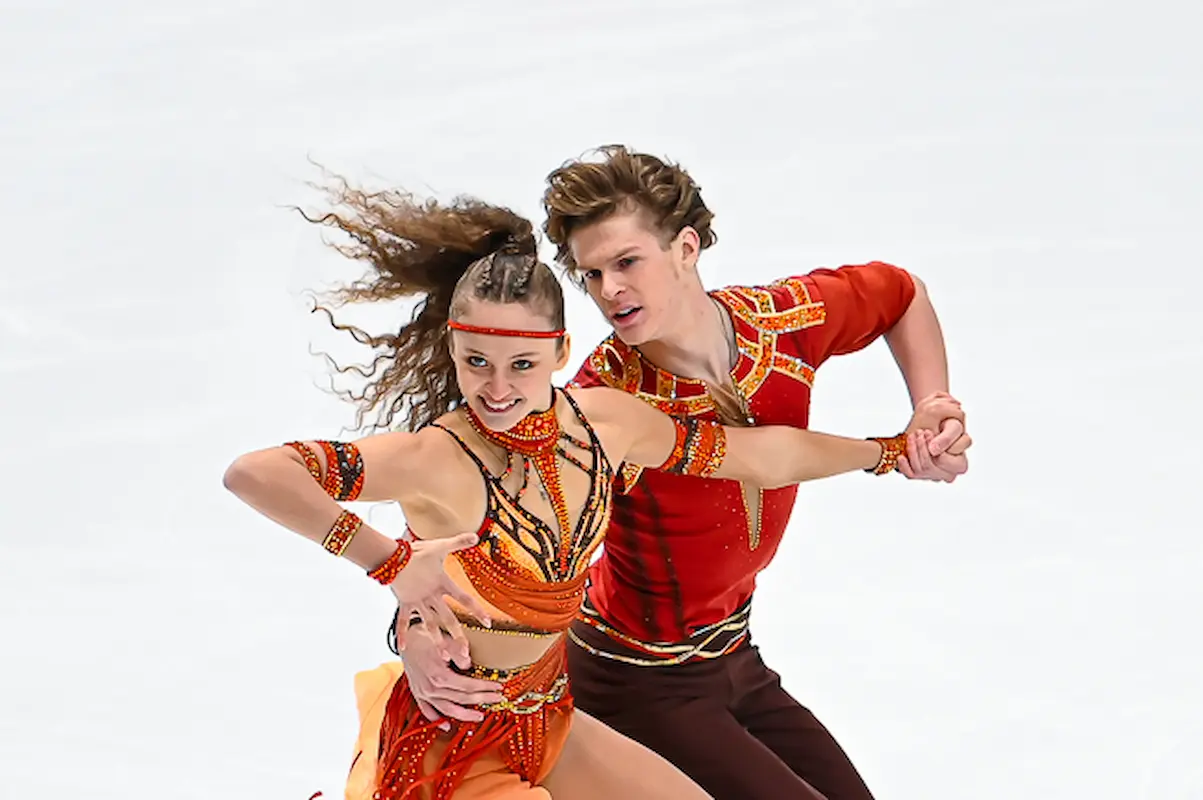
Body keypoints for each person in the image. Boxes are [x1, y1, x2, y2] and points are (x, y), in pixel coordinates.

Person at [221, 179, 965, 800]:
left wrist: (891, 450)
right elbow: (263, 473)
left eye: (519, 365)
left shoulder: (603, 421)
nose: (498, 388)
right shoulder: (448, 449)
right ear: (453, 351)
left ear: (555, 352)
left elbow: (755, 454)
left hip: (569, 711)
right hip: (526, 712)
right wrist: (387, 570)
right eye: (475, 361)